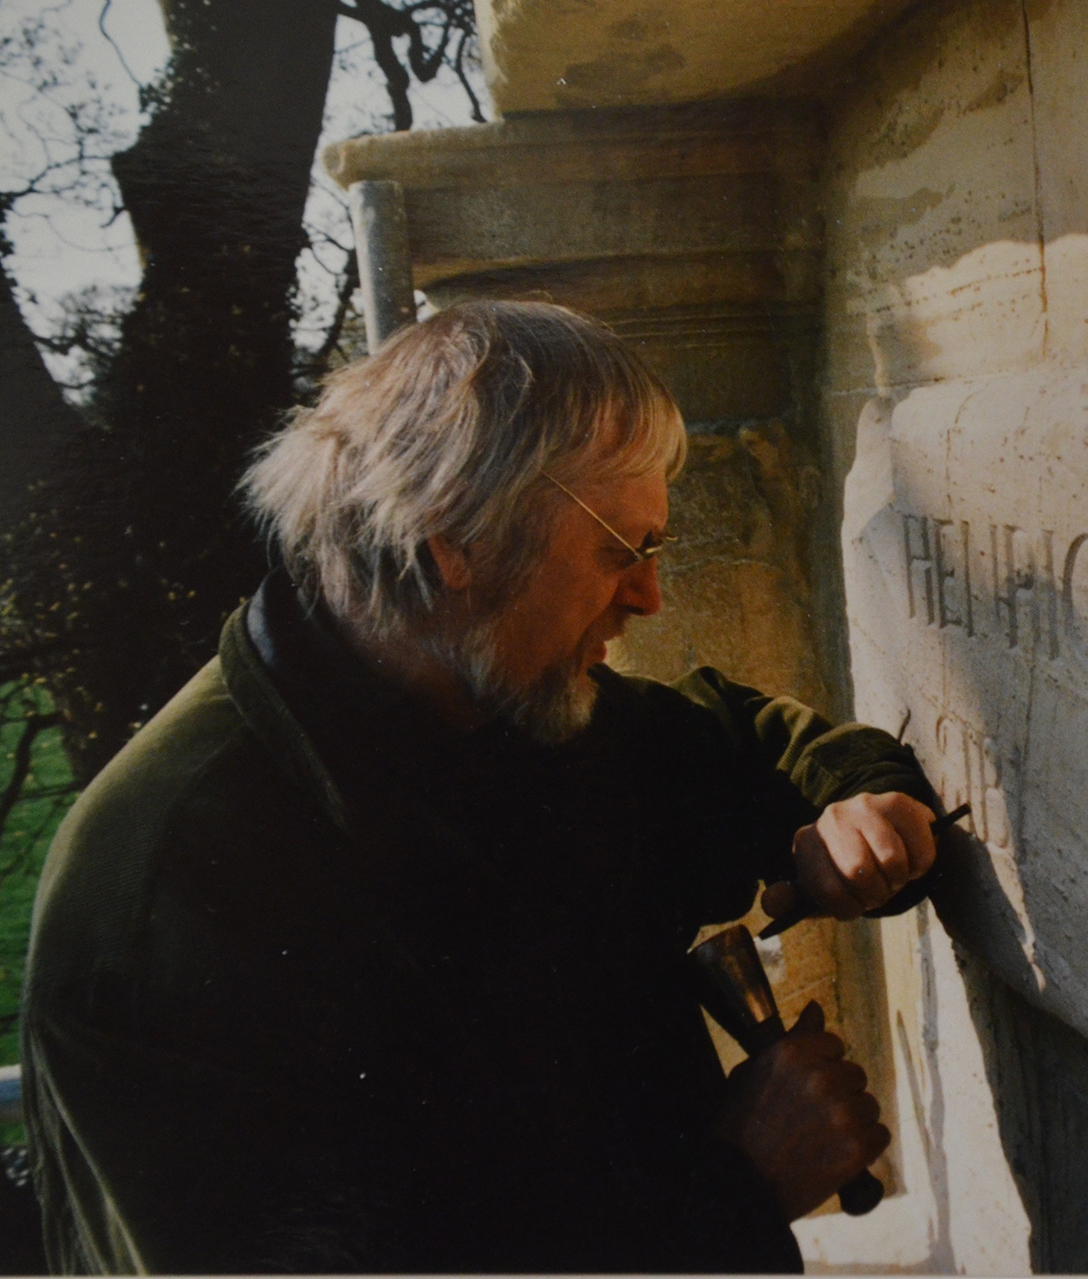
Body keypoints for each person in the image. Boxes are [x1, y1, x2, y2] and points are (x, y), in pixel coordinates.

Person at [21, 301, 941, 1273]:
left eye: (655, 549)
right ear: (453, 534)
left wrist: (859, 805)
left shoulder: (496, 701)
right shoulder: (167, 891)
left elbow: (748, 740)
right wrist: (738, 1189)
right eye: (618, 551)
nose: (649, 595)